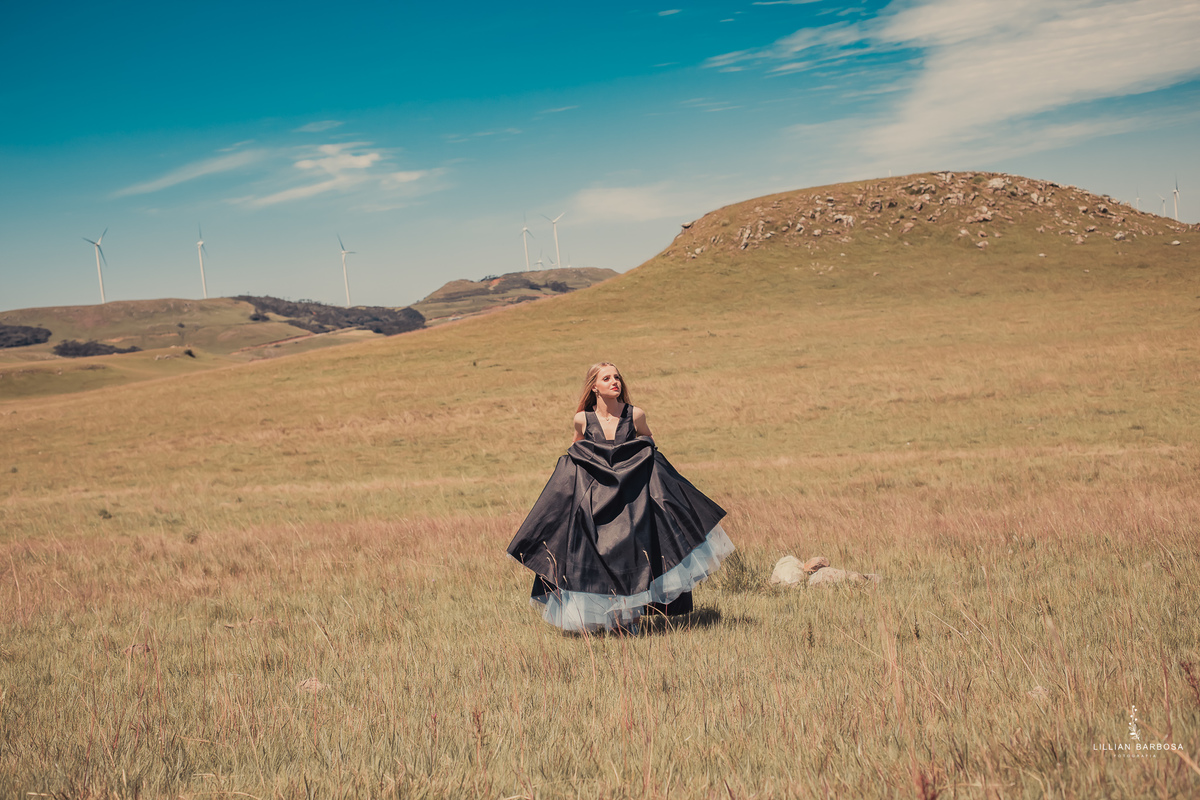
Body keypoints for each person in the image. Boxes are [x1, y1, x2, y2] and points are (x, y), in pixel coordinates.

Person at [507, 362, 735, 633]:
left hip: (632, 499)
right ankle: (609, 622)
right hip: (595, 499)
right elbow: (576, 448)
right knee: (596, 555)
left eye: (617, 377)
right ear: (595, 387)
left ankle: (632, 621)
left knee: (633, 554)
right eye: (607, 378)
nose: (614, 381)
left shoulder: (635, 414)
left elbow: (649, 441)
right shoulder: (582, 418)